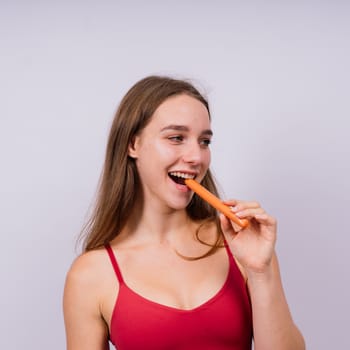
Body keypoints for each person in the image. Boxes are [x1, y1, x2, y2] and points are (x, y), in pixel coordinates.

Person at [63, 76, 305, 350]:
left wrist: (260, 272)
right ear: (133, 145)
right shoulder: (91, 274)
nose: (196, 157)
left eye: (204, 142)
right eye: (176, 138)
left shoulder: (243, 246)